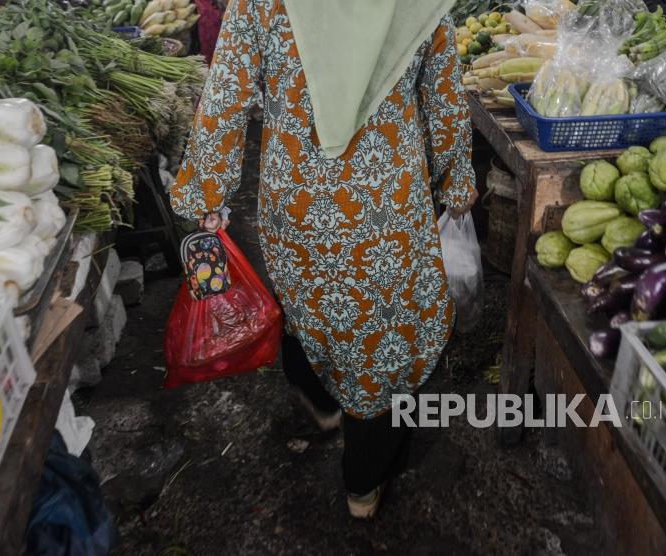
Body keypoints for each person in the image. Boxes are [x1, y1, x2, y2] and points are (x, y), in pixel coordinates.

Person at [170, 0, 478, 519]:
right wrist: (457, 177)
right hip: (386, 210)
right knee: (377, 347)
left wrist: (207, 192)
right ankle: (363, 486)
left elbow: (226, 95)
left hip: (299, 207)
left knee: (310, 310)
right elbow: (443, 97)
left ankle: (321, 401)